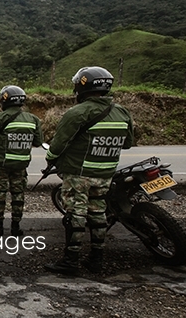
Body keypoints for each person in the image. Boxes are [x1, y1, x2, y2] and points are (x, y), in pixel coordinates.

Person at [44, 66, 135, 274]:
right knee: (98, 212)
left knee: (75, 214)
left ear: (82, 87)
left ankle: (71, 261)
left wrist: (50, 158)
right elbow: (128, 143)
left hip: (79, 173)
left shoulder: (78, 112)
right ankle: (96, 258)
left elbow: (58, 145)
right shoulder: (121, 112)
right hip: (105, 173)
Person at [0, 85, 43, 237]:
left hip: (1, 164)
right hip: (21, 165)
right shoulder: (33, 119)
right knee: (18, 194)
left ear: (4, 101)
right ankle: (16, 227)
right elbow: (38, 142)